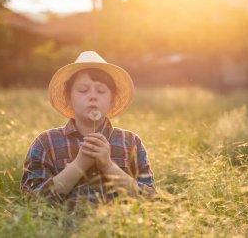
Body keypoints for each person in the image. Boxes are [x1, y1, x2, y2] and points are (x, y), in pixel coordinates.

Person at [21, 51, 157, 206]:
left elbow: (151, 198)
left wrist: (108, 166)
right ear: (69, 98)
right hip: (63, 228)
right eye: (83, 90)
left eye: (101, 91)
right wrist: (79, 164)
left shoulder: (131, 142)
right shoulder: (46, 142)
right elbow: (31, 201)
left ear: (112, 100)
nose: (93, 96)